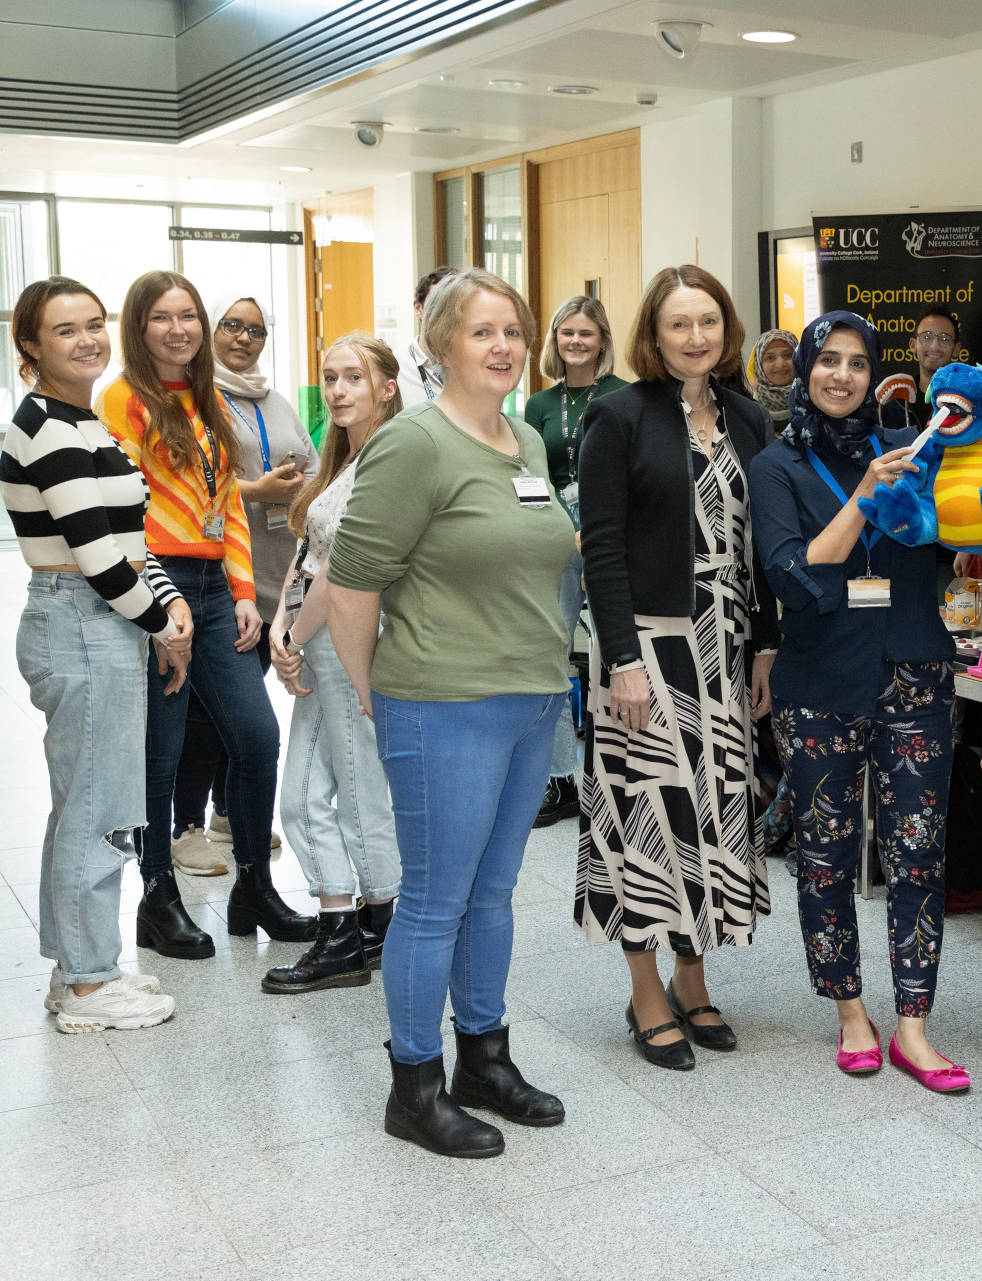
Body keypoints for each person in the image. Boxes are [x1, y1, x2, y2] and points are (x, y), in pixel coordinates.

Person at [327, 268, 574, 1157]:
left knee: (493, 893)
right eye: (481, 331)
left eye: (513, 330)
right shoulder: (414, 444)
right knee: (435, 901)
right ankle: (415, 1086)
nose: (503, 346)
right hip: (442, 703)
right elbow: (349, 585)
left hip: (529, 700)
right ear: (439, 344)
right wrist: (374, 694)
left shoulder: (526, 440)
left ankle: (484, 1059)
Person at [750, 310, 968, 1091]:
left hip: (914, 672)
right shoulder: (776, 464)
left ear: (875, 374)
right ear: (805, 369)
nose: (841, 375)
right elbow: (795, 576)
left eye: (857, 362)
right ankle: (850, 1012)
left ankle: (913, 1024)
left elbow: (961, 533)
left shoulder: (913, 447)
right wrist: (866, 494)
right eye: (827, 360)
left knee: (918, 852)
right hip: (818, 685)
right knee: (825, 857)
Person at [575, 265, 777, 1072]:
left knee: (714, 811)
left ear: (727, 330)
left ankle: (693, 978)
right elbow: (601, 547)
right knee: (649, 814)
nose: (696, 337)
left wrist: (765, 644)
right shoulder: (618, 415)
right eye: (679, 324)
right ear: (653, 336)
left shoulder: (748, 417)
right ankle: (646, 990)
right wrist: (622, 658)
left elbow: (764, 543)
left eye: (709, 321)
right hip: (647, 646)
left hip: (726, 644)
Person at [97, 270, 313, 959]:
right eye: (162, 317)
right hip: (155, 584)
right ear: (138, 326)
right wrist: (159, 604)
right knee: (161, 754)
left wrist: (245, 591)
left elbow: (227, 507)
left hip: (217, 587)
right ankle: (157, 897)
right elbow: (120, 513)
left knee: (256, 737)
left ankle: (255, 886)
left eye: (188, 315)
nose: (178, 329)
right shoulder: (123, 399)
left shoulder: (207, 397)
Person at [4, 276, 191, 1031]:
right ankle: (88, 985)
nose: (86, 340)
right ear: (30, 344)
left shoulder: (82, 421)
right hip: (81, 621)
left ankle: (76, 969)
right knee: (98, 807)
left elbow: (130, 540)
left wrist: (168, 602)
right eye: (64, 330)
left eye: (93, 324)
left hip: (98, 620)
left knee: (82, 802)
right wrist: (164, 626)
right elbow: (96, 559)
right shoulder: (48, 428)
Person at [261, 335, 405, 995]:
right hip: (315, 635)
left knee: (347, 789)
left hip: (348, 636)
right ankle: (362, 922)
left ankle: (363, 927)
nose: (339, 389)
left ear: (387, 388)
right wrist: (279, 628)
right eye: (331, 377)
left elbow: (340, 572)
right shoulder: (341, 457)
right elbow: (307, 553)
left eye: (355, 377)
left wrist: (292, 637)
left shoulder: (385, 460)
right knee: (314, 793)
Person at [169, 292, 318, 875]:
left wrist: (298, 487)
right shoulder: (196, 398)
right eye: (231, 325)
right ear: (210, 330)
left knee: (241, 705)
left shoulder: (275, 401)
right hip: (221, 576)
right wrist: (260, 491)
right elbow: (191, 485)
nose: (244, 338)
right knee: (211, 714)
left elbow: (309, 462)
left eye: (256, 329)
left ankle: (228, 813)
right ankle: (184, 825)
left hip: (275, 572)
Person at [522, 295, 628, 828]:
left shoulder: (626, 396)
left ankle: (621, 773)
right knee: (550, 658)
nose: (577, 342)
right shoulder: (539, 404)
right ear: (555, 341)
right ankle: (561, 777)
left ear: (603, 339)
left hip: (614, 544)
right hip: (556, 544)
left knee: (621, 657)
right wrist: (566, 531)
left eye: (586, 333)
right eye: (567, 333)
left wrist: (598, 535)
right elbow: (532, 479)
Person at [880, 306, 958, 432]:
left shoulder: (965, 402)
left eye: (944, 338)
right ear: (913, 345)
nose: (934, 346)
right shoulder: (894, 404)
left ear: (956, 349)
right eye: (926, 337)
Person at [395, 266, 455, 408]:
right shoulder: (395, 368)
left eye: (453, 306)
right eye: (437, 304)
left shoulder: (472, 366)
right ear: (418, 308)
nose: (445, 314)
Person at [746, 327, 798, 429]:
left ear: (799, 358)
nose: (780, 364)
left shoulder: (816, 403)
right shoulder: (747, 408)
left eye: (788, 355)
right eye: (770, 358)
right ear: (759, 365)